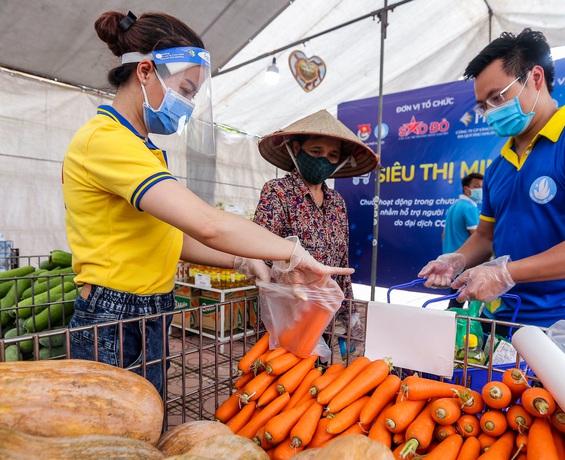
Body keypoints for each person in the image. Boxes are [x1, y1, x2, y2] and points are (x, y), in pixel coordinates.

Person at [61, 11, 353, 398]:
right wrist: (291, 252)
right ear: (145, 72)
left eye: (193, 95)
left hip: (145, 312)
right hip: (114, 317)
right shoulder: (106, 141)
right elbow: (206, 223)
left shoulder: (142, 149)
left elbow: (172, 239)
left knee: (144, 428)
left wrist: (242, 260)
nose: (187, 104)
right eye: (184, 89)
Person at [418, 28, 565, 329]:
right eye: (483, 106)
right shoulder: (498, 168)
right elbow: (485, 236)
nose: (491, 112)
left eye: (497, 97)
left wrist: (506, 273)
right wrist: (456, 260)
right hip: (508, 317)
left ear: (535, 78)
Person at [254, 109, 379, 355]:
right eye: (316, 152)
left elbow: (341, 265)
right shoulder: (278, 191)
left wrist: (349, 315)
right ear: (297, 150)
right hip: (287, 309)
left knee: (316, 377)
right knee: (280, 371)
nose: (324, 159)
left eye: (333, 155)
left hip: (325, 311)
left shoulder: (337, 202)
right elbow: (257, 247)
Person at [442, 173, 483, 309]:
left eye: (482, 187)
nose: (480, 190)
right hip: (466, 262)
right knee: (468, 299)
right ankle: (460, 327)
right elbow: (479, 237)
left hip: (453, 260)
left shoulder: (454, 206)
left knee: (456, 297)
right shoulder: (470, 207)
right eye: (476, 187)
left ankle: (449, 323)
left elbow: (443, 235)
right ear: (466, 189)